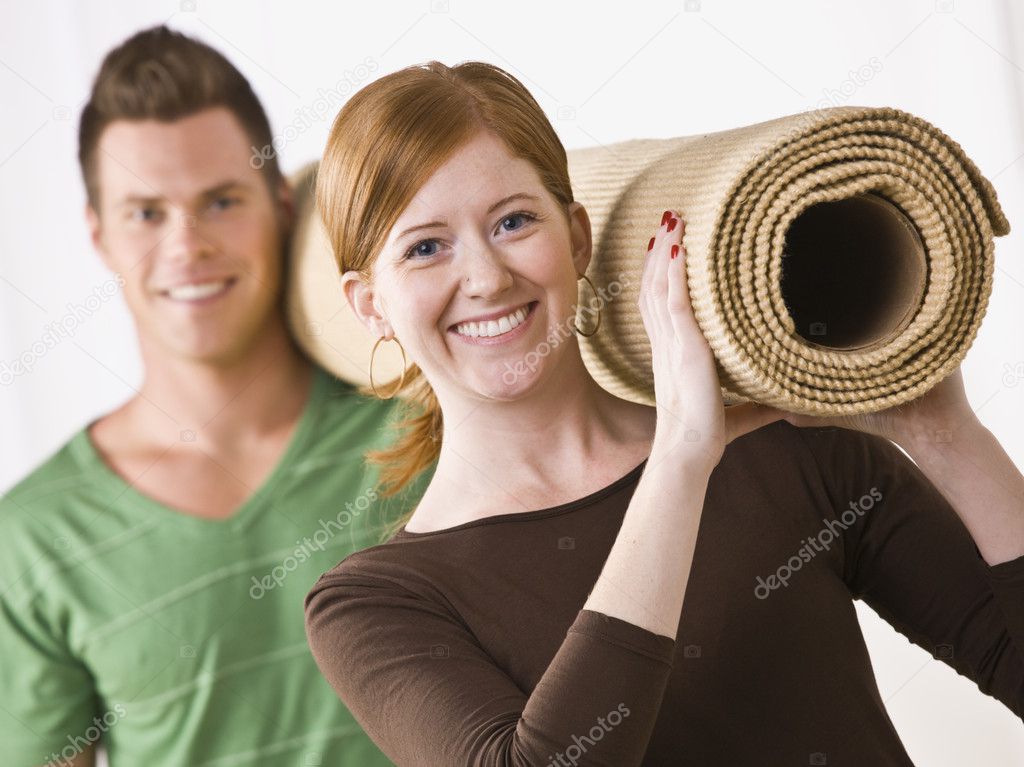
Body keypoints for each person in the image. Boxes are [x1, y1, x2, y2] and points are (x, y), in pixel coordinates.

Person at [303, 60, 1024, 766]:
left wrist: (947, 435)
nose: (488, 278)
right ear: (370, 305)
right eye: (427, 247)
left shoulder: (788, 442)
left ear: (577, 237)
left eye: (514, 221)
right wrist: (679, 462)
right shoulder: (377, 603)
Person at [0, 26, 428, 767]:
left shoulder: (424, 423)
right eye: (146, 212)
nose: (187, 245)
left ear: (282, 204)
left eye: (222, 200)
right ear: (99, 234)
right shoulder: (35, 541)